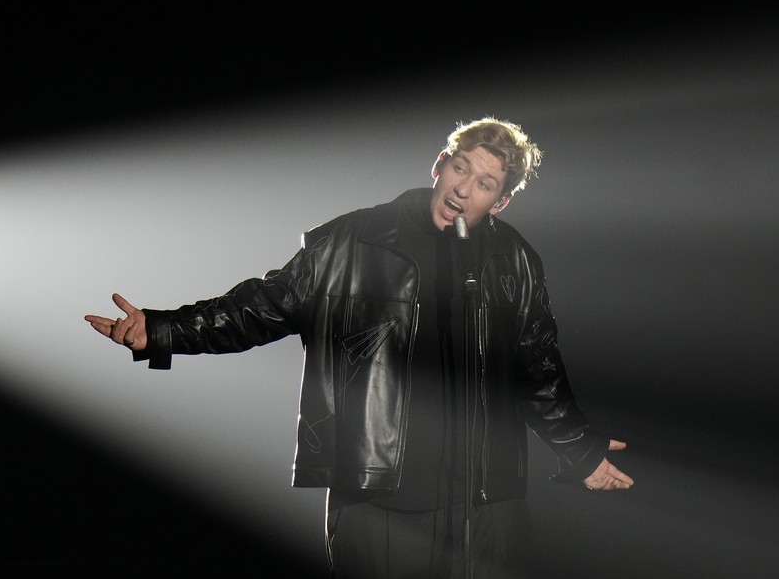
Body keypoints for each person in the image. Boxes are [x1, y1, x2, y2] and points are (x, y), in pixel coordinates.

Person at [85, 116, 634, 578]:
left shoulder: (512, 259)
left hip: (486, 500)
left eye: (485, 183)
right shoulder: (350, 240)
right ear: (439, 165)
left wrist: (578, 449)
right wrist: (162, 330)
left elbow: (535, 365)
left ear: (502, 200)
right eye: (460, 167)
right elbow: (259, 308)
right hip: (379, 496)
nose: (464, 188)